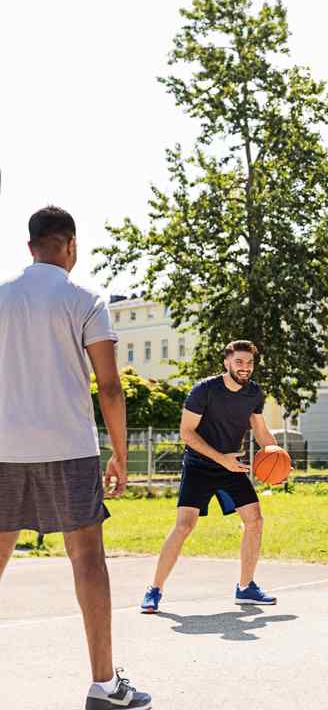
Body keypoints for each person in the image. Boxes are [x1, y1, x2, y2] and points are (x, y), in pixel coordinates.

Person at [0, 206, 151, 709]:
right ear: (70, 245)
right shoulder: (86, 299)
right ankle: (104, 686)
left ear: (30, 247)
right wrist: (121, 456)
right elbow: (110, 386)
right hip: (69, 449)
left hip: (3, 449)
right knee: (87, 558)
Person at [140, 340, 279, 613]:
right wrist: (221, 459)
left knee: (255, 520)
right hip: (200, 465)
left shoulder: (253, 393)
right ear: (226, 362)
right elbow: (187, 433)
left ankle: (246, 587)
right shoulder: (204, 390)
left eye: (249, 363)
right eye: (239, 362)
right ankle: (154, 589)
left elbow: (261, 431)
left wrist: (277, 456)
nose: (245, 367)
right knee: (184, 525)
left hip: (231, 465)